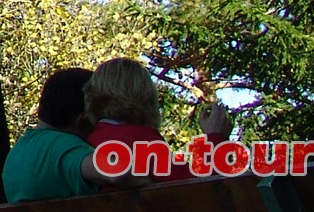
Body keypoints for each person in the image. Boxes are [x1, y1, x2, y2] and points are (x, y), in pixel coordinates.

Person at [84, 57, 231, 184]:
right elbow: (196, 185)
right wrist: (216, 137)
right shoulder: (139, 138)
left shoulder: (89, 138)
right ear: (143, 94)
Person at [2, 67, 137, 201]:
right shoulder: (62, 145)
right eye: (98, 119)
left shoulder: (18, 151)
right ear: (81, 121)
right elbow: (118, 172)